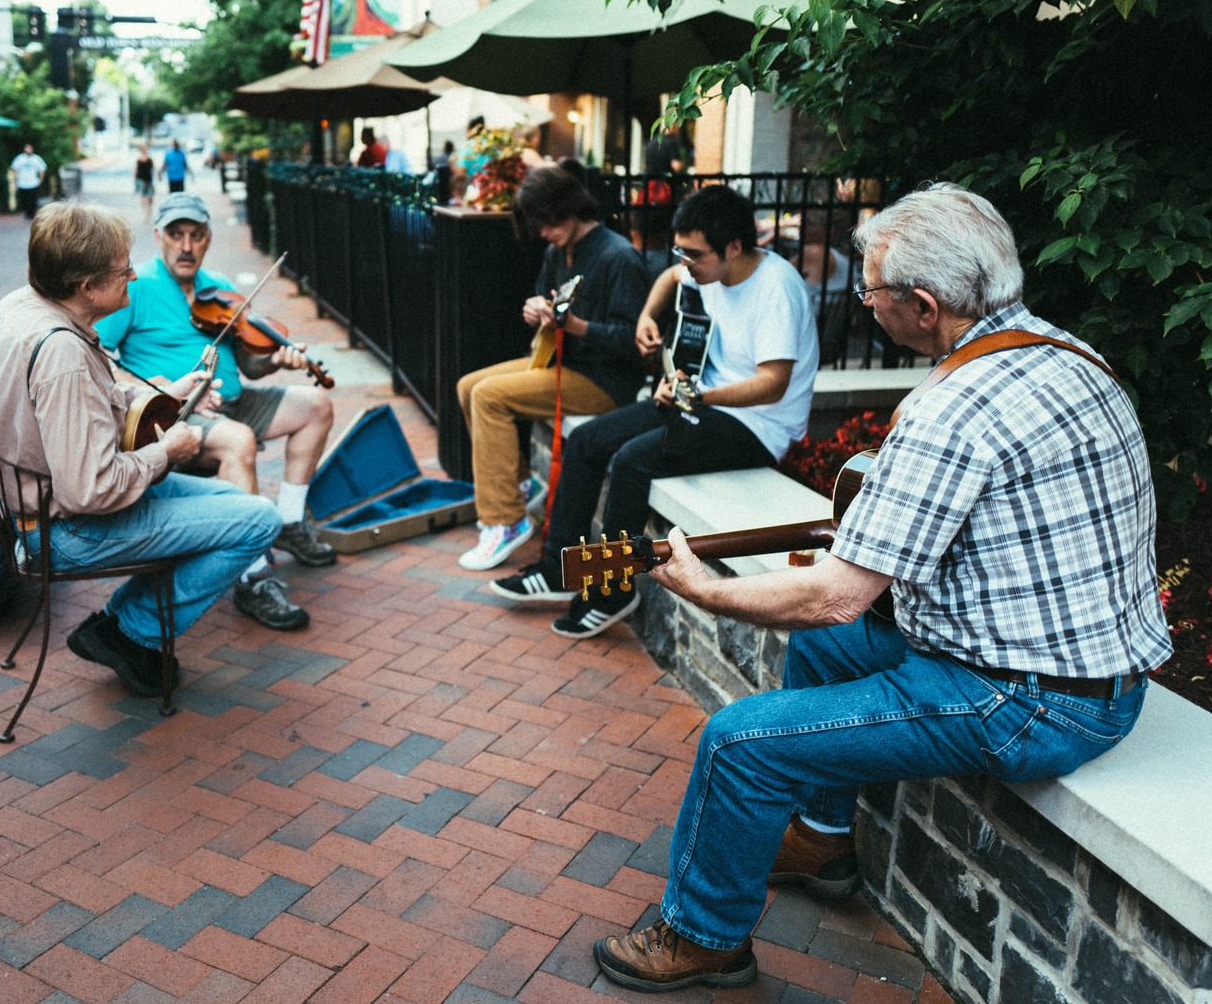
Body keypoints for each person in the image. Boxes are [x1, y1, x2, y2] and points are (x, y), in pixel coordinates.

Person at [592, 183, 1170, 993]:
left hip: (1030, 699)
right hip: (1099, 673)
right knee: (828, 651)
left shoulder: (952, 409)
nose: (865, 306)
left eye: (871, 293)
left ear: (925, 305)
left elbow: (835, 594)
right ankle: (826, 838)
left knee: (740, 741)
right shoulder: (1066, 353)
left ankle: (705, 938)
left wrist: (703, 588)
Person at [0, 200, 281, 697]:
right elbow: (90, 491)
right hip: (65, 529)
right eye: (122, 270)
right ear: (87, 287)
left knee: (240, 505)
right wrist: (168, 451)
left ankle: (119, 625)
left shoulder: (22, 305)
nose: (135, 276)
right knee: (261, 523)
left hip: (43, 506)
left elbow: (78, 404)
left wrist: (161, 395)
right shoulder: (64, 355)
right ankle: (129, 632)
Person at [492, 185, 818, 639]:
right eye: (679, 251)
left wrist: (699, 397)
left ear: (735, 247)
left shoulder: (776, 289)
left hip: (757, 426)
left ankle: (613, 590)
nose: (684, 262)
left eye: (693, 254)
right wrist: (647, 316)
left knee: (632, 459)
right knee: (586, 441)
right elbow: (668, 279)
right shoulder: (709, 270)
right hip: (700, 400)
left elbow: (773, 384)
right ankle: (558, 570)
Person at [94, 192, 337, 632]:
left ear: (207, 240)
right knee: (238, 440)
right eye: (175, 234)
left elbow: (250, 364)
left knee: (316, 405)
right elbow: (101, 359)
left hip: (235, 400)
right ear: (158, 237)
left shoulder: (220, 286)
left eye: (196, 235)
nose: (186, 246)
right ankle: (252, 577)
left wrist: (276, 359)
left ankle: (288, 520)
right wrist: (165, 390)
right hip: (177, 414)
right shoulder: (137, 287)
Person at [454, 164, 647, 571]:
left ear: (570, 207)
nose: (542, 232)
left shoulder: (620, 257)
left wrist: (575, 326)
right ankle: (517, 487)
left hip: (604, 381)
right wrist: (535, 309)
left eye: (547, 222)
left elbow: (635, 345)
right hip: (561, 363)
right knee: (468, 385)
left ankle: (505, 520)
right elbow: (547, 301)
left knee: (488, 396)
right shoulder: (558, 250)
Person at [11, 143, 47, 220]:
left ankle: (32, 214)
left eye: (29, 148)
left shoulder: (36, 159)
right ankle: (27, 213)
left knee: (33, 199)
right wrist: (15, 181)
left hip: (33, 183)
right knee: (25, 199)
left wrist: (40, 180)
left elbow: (42, 169)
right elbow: (15, 170)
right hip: (23, 183)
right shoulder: (20, 159)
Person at [135, 146, 156, 222]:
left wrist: (157, 175)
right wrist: (135, 180)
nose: (145, 149)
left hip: (148, 179)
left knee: (150, 196)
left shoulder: (150, 159)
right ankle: (144, 212)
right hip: (141, 179)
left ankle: (149, 209)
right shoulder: (138, 160)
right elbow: (136, 170)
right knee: (143, 196)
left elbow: (153, 169)